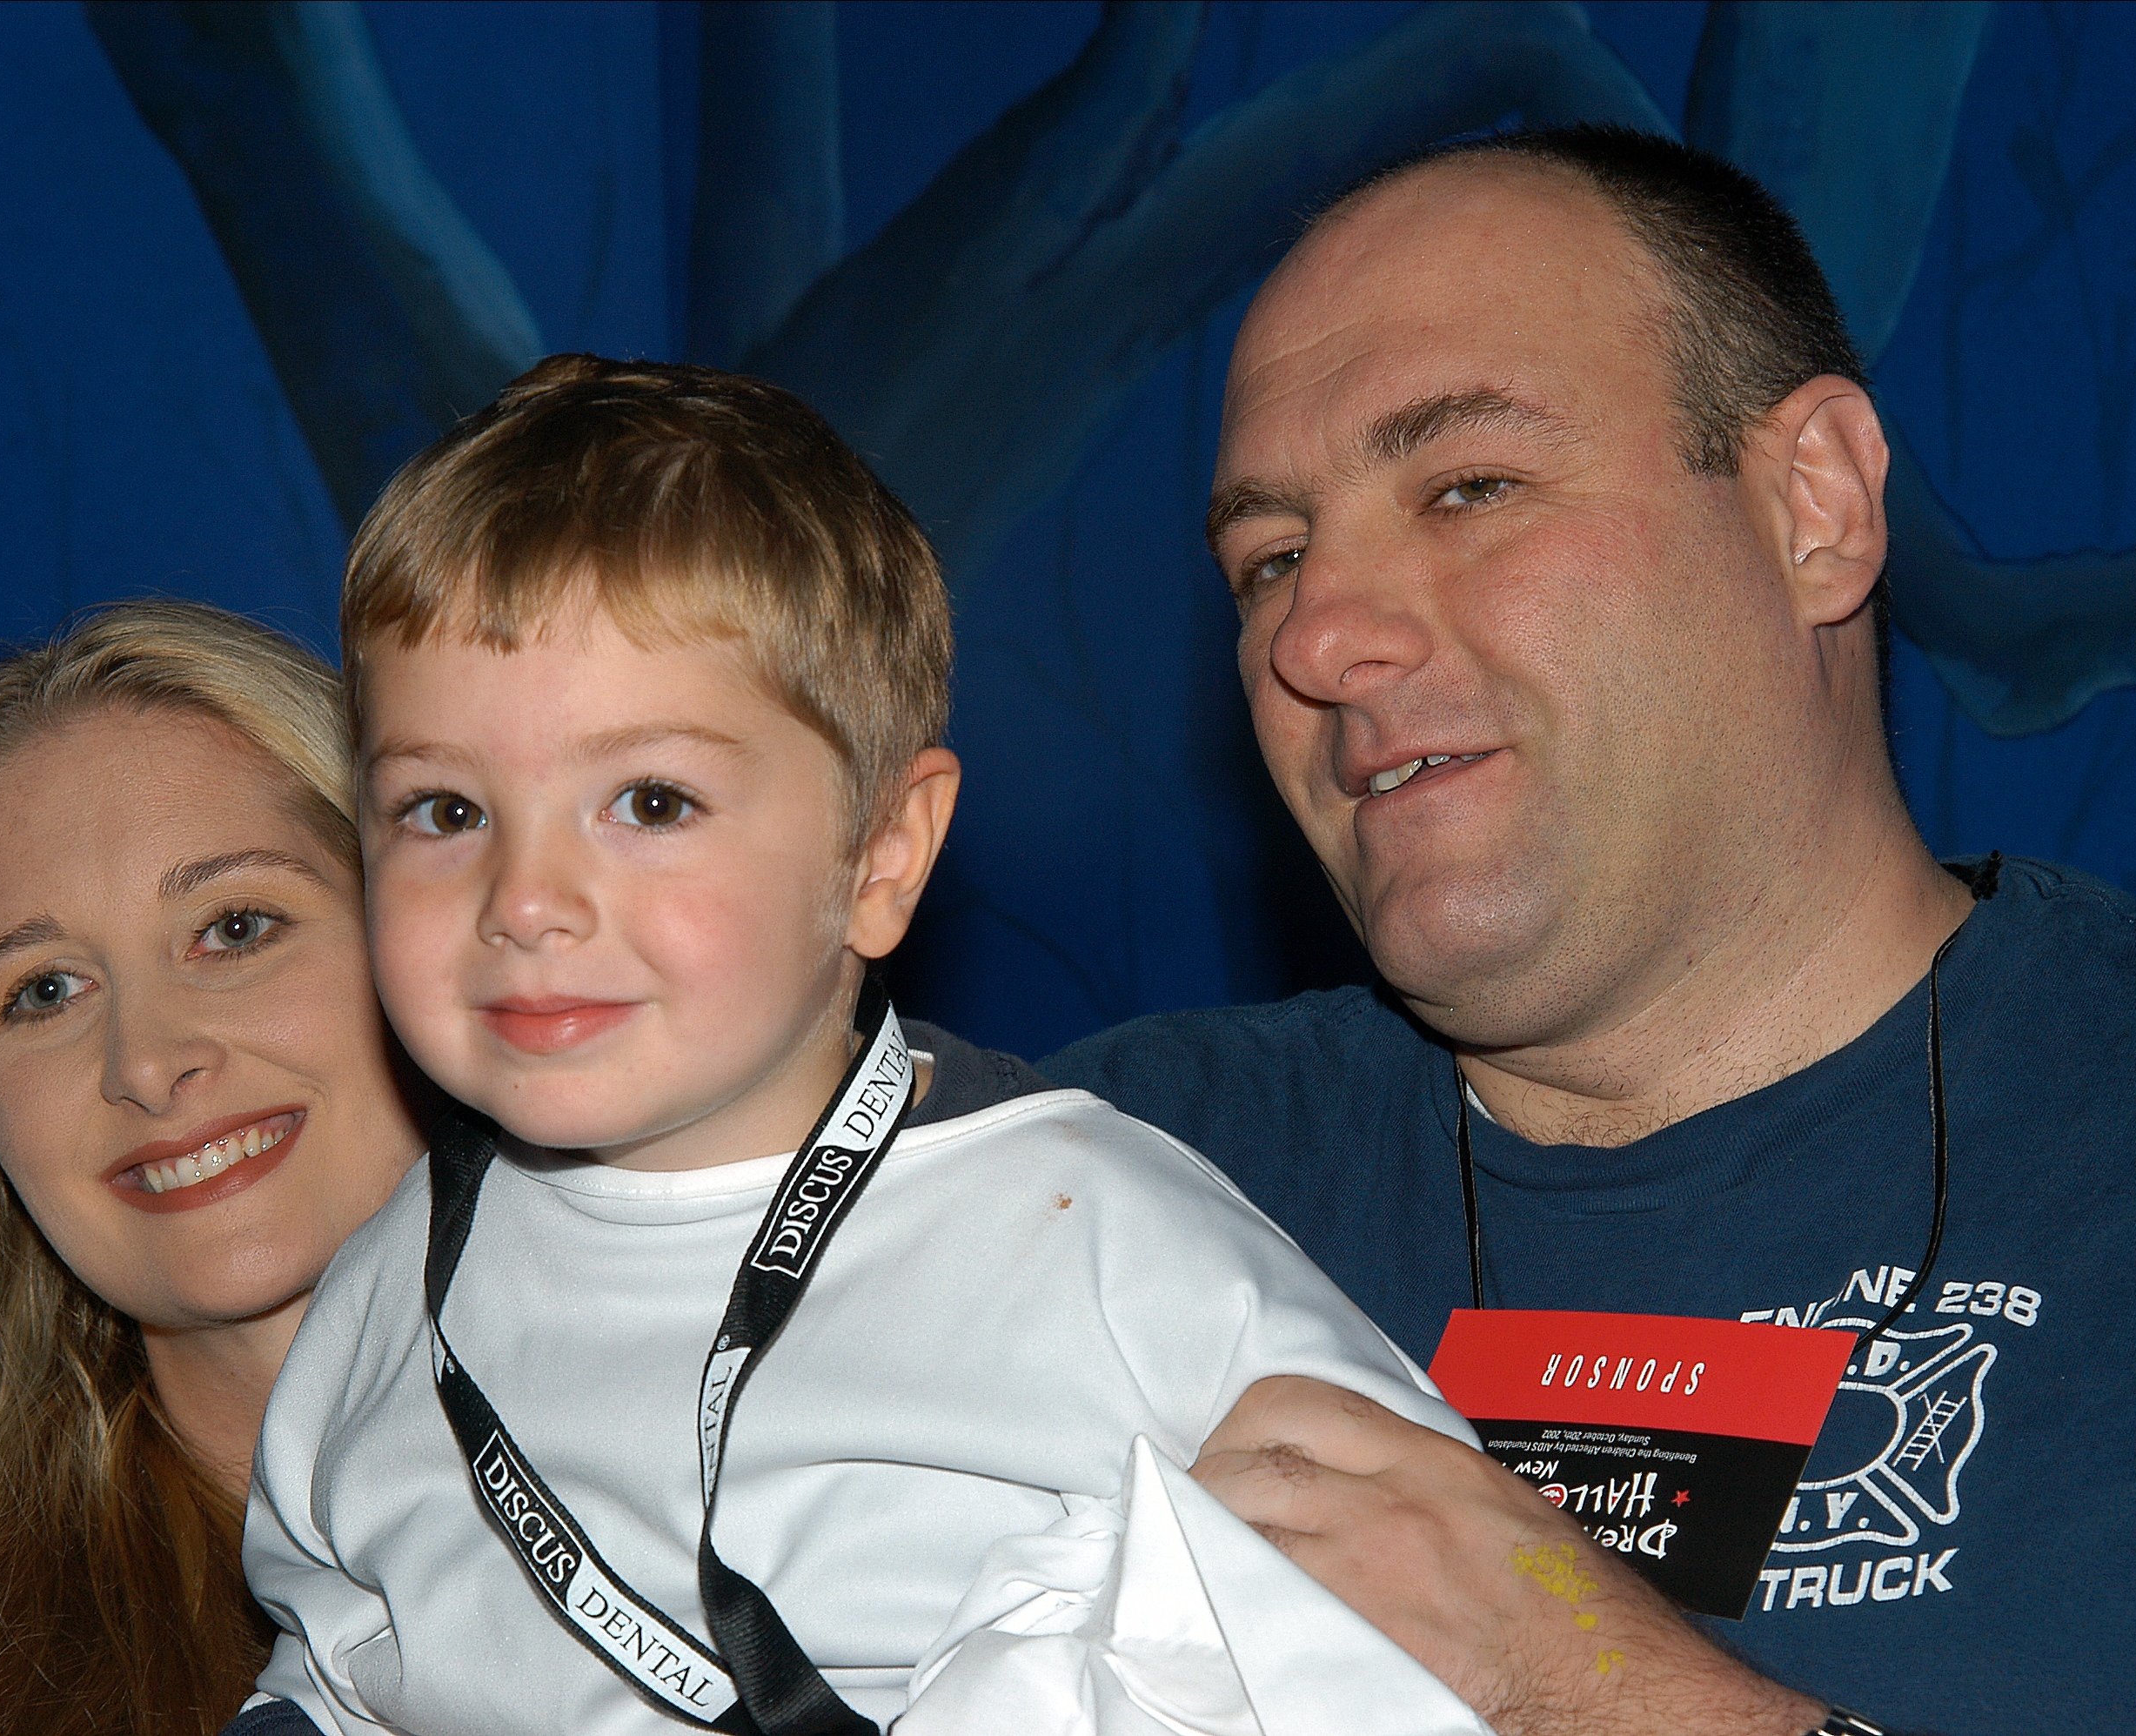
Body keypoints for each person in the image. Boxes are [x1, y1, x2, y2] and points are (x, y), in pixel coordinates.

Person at [1046, 126, 2136, 1733]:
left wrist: (1579, 1677)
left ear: (1813, 508)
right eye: (1269, 560)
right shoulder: (1107, 1179)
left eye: (1468, 486)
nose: (1318, 632)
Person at [233, 355, 1486, 1736]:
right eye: (444, 812)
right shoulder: (386, 1287)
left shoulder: (1101, 1242)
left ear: (882, 854)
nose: (524, 903)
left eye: (649, 801)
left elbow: (1451, 1630)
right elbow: (333, 1661)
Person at [0, 601, 426, 1736]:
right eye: (44, 989)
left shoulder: (802, 1397)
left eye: (235, 927)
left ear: (427, 927)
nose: (146, 1061)